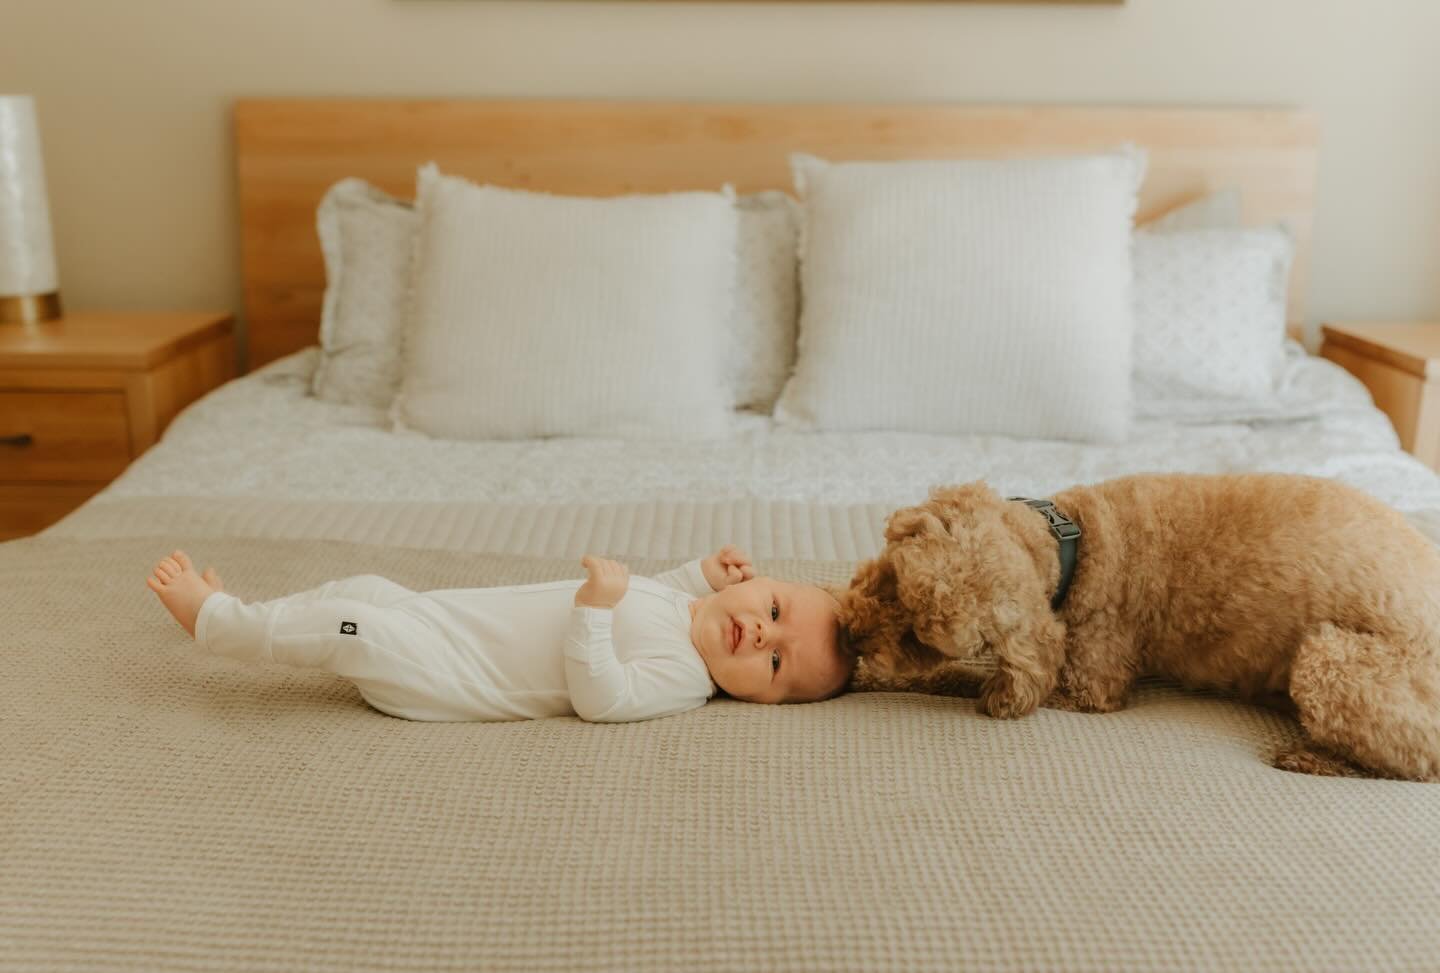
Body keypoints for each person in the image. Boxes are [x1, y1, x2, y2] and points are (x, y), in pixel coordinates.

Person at [146, 546, 854, 723]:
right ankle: (250, 612)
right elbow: (657, 590)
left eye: (774, 664)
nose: (757, 634)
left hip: (446, 675)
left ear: (761, 701)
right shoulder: (686, 607)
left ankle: (217, 623)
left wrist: (594, 611)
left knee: (349, 628)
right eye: (773, 610)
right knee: (361, 589)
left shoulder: (686, 679)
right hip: (443, 618)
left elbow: (603, 698)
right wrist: (702, 572)